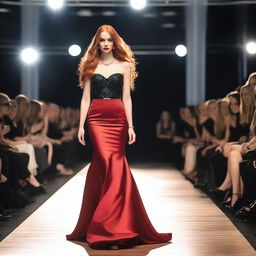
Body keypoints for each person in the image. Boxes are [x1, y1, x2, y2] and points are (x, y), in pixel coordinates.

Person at [65, 25, 172, 250]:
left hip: (118, 119)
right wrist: (81, 125)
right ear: (97, 43)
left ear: (114, 42)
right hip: (96, 118)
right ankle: (105, 226)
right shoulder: (89, 65)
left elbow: (127, 99)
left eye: (109, 40)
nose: (105, 44)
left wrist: (131, 126)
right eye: (102, 40)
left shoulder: (125, 65)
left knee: (112, 163)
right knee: (106, 161)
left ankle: (113, 226)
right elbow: (85, 98)